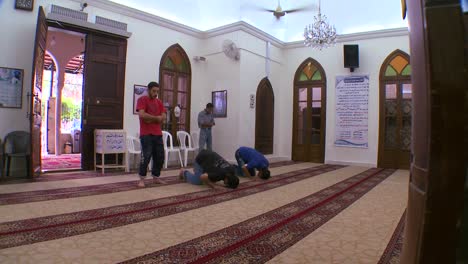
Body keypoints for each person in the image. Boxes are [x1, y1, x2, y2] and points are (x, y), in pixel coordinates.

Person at [135, 81, 167, 188]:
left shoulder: (159, 102)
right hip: (146, 134)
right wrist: (156, 118)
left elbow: (163, 117)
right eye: (154, 91)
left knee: (160, 156)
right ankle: (142, 179)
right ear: (148, 90)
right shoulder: (142, 100)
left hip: (157, 133)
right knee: (146, 156)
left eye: (157, 91)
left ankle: (156, 177)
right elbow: (142, 115)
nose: (155, 93)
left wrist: (152, 119)